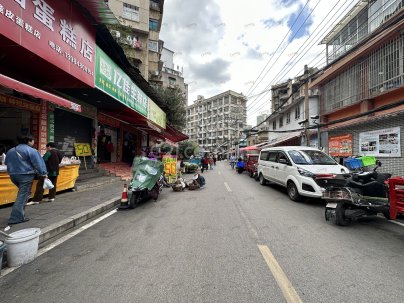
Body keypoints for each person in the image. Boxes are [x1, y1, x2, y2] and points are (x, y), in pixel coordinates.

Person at [5, 136, 47, 225]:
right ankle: (15, 218)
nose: (33, 143)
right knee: (22, 196)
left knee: (23, 194)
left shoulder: (11, 150)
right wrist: (43, 173)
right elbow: (39, 163)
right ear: (29, 141)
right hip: (25, 175)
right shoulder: (31, 150)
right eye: (33, 141)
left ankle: (21, 215)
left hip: (13, 175)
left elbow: (6, 162)